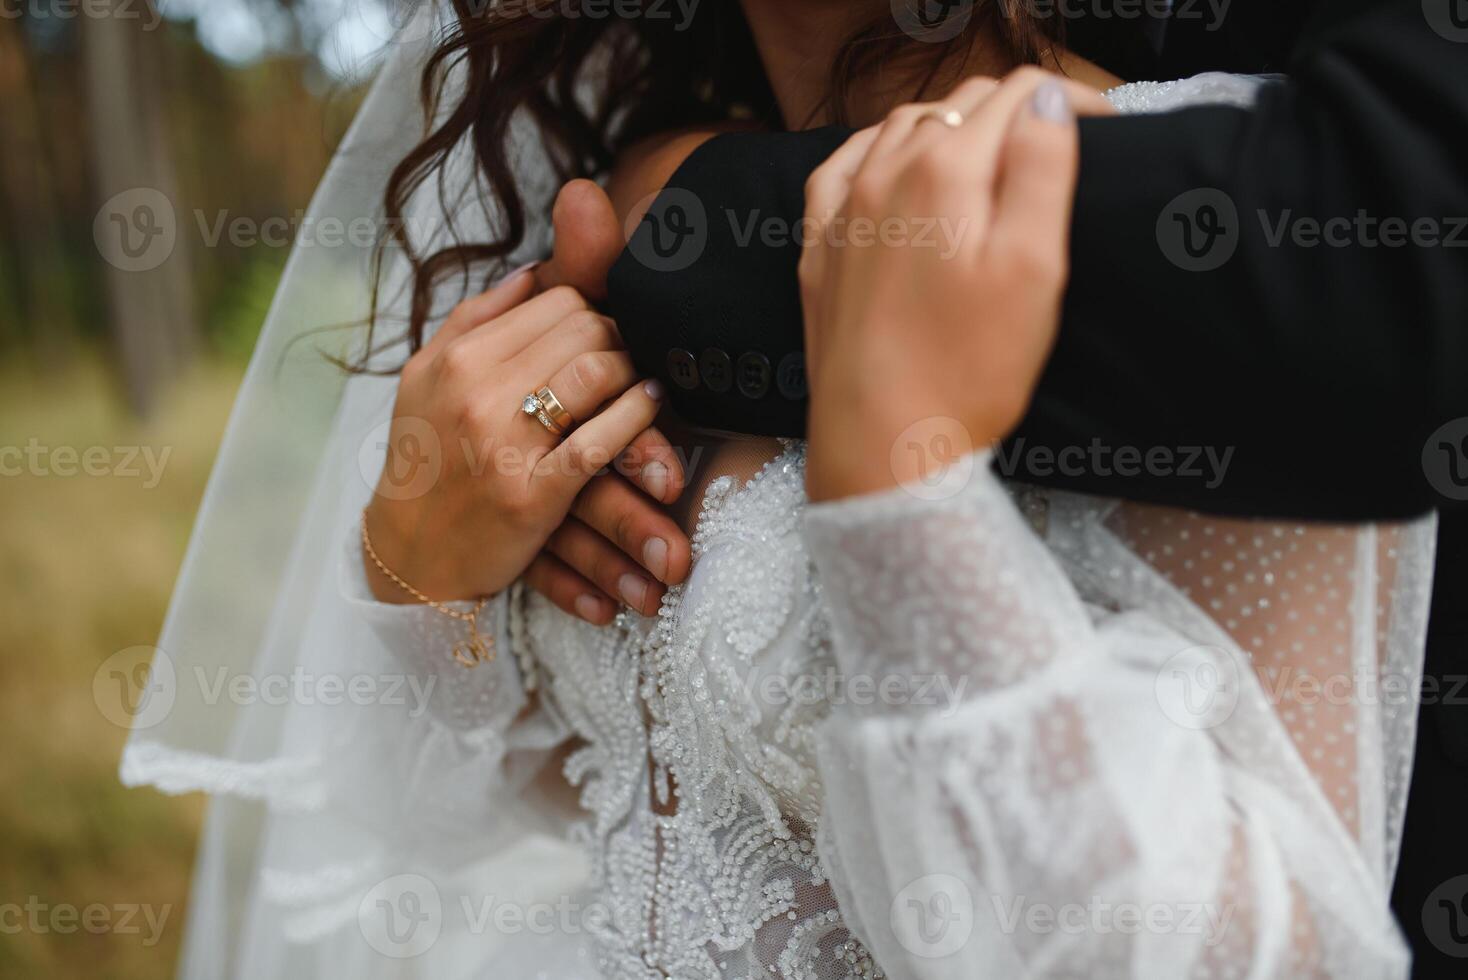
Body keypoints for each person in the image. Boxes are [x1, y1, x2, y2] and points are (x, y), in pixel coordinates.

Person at [117, 2, 1452, 977]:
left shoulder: (1169, 193)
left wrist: (902, 511)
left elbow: (1283, 950)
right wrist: (421, 580)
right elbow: (532, 809)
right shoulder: (618, 197)